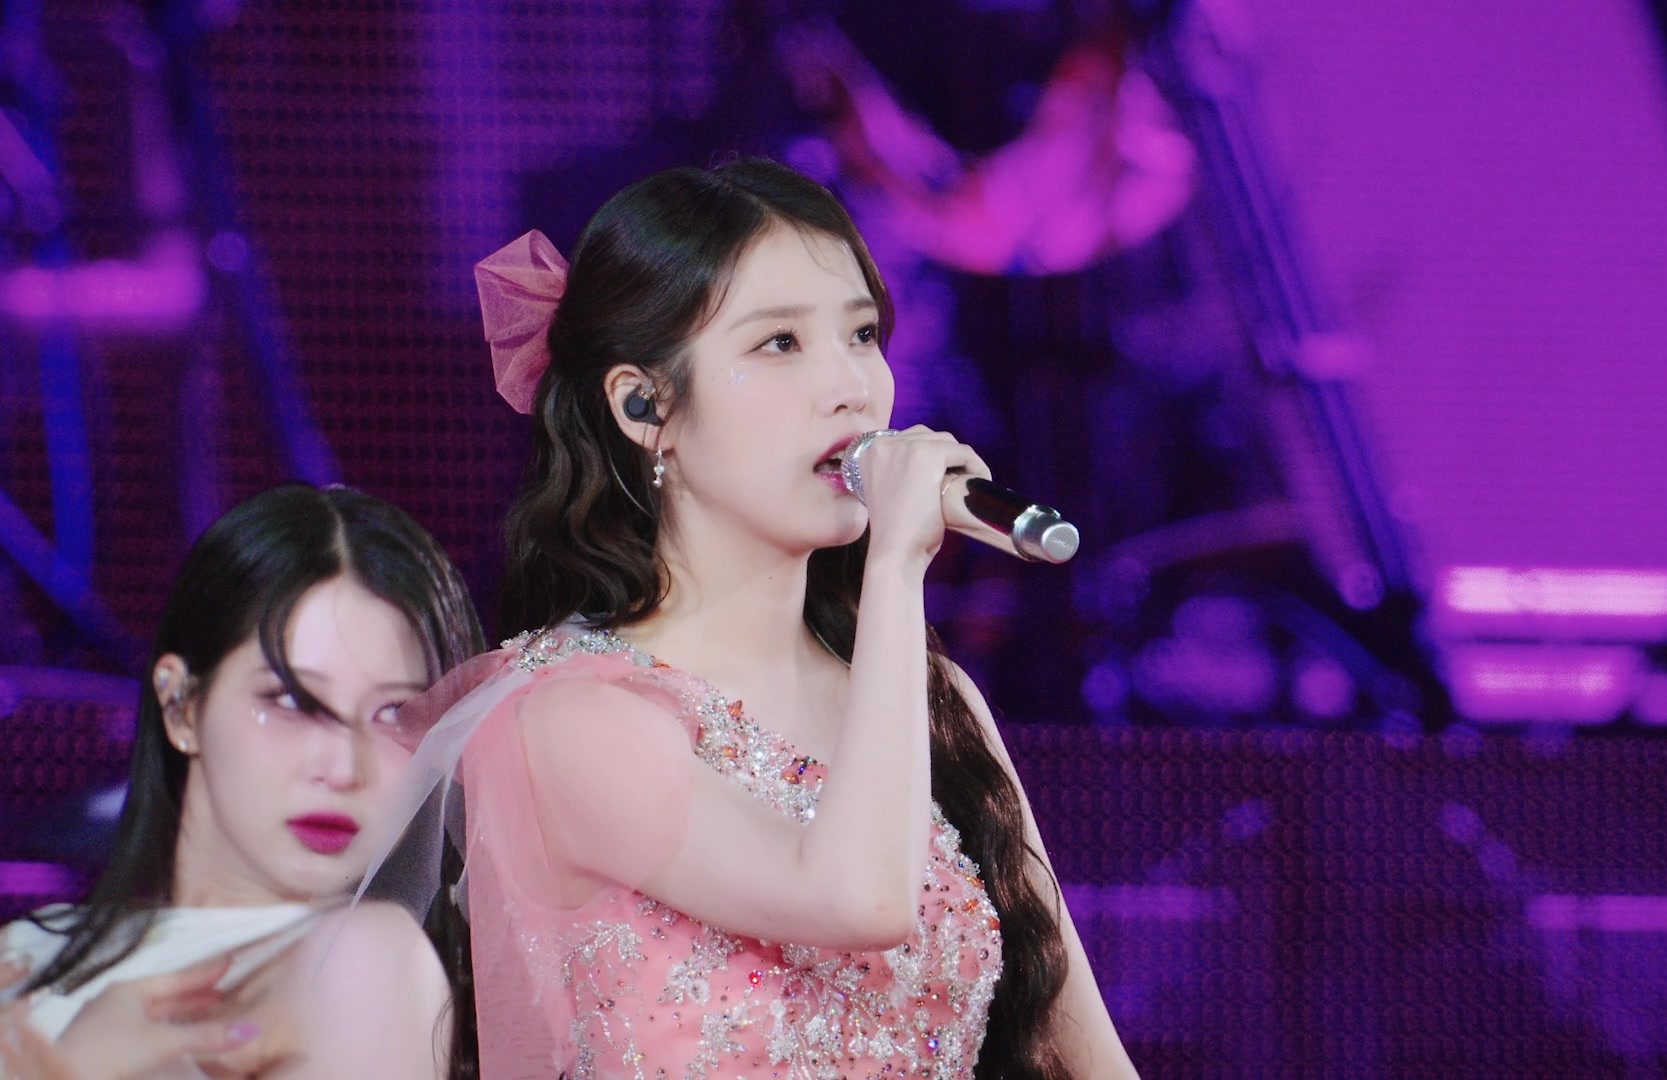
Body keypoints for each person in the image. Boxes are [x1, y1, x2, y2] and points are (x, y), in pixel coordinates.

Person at [393, 156, 1138, 1077]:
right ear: (645, 405)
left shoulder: (932, 700)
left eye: (861, 334)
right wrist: (896, 567)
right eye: (780, 343)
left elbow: (1088, 1055)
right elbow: (858, 900)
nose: (851, 386)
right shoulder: (564, 720)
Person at [0, 484, 485, 1079]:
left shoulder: (365, 959)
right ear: (180, 706)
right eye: (292, 701)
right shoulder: (24, 953)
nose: (342, 769)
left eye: (394, 715)